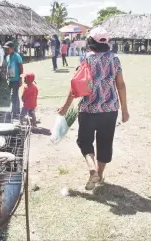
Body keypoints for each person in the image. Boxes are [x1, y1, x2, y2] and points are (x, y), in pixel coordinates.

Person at [58, 27, 130, 190]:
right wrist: (124, 109)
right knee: (105, 143)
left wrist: (65, 106)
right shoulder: (115, 59)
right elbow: (121, 85)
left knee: (84, 141)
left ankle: (92, 169)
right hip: (110, 109)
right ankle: (100, 175)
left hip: (89, 109)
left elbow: (76, 84)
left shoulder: (86, 59)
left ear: (90, 42)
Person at [3, 41, 23, 115]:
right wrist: (7, 77)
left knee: (13, 95)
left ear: (12, 48)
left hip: (16, 79)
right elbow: (7, 68)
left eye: (7, 49)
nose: (6, 50)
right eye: (5, 49)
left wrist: (20, 78)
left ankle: (14, 111)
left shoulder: (17, 56)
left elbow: (21, 68)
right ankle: (17, 110)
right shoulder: (7, 57)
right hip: (10, 79)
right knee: (14, 94)